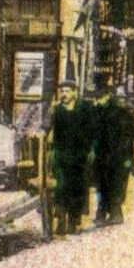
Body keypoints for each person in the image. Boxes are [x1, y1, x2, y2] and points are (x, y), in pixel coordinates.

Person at [48, 82, 95, 235]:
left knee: (77, 189)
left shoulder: (84, 109)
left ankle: (73, 222)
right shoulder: (56, 110)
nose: (64, 94)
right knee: (61, 188)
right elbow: (48, 128)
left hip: (79, 156)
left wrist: (91, 150)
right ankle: (61, 221)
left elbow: (93, 132)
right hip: (61, 155)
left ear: (74, 93)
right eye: (62, 91)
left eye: (67, 91)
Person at [91, 86, 134, 225]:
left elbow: (127, 136)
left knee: (112, 185)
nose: (95, 101)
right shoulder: (101, 111)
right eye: (95, 98)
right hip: (106, 156)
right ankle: (107, 214)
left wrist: (119, 153)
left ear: (107, 97)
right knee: (106, 185)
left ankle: (108, 214)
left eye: (98, 98)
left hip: (116, 156)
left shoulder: (116, 113)